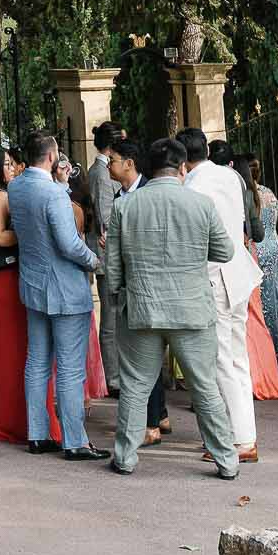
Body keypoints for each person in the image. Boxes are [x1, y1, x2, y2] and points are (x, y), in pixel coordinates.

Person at [106, 135, 241, 479]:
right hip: (192, 309)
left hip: (142, 308)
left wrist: (119, 297)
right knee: (205, 385)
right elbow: (225, 252)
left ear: (149, 167)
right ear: (182, 167)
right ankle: (226, 460)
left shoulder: (125, 206)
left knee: (136, 386)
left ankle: (125, 456)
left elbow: (114, 268)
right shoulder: (201, 204)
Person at [7, 130, 104, 460]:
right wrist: (94, 260)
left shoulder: (16, 186)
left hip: (33, 284)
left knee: (37, 361)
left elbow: (42, 219)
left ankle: (37, 433)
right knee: (70, 368)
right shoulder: (52, 194)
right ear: (51, 157)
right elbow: (68, 243)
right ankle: (75, 440)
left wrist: (61, 185)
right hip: (64, 287)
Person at [183, 126, 262, 464]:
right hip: (238, 272)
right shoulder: (230, 177)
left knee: (221, 361)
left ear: (184, 159)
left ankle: (237, 439)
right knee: (236, 358)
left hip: (215, 276)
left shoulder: (192, 186)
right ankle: (243, 435)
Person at [0, 145, 59, 446]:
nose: (12, 168)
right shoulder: (0, 196)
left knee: (7, 352)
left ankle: (12, 420)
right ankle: (18, 422)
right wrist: (30, 231)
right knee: (17, 352)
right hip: (7, 278)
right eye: (7, 163)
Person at [106, 137, 169, 444]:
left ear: (129, 163)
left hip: (150, 286)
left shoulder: (148, 193)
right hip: (134, 287)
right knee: (147, 356)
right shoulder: (121, 195)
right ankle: (160, 415)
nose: (109, 165)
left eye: (113, 160)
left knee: (145, 358)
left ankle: (152, 424)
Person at [67, 168, 110, 404]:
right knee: (85, 334)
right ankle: (84, 393)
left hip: (73, 272)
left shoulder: (70, 209)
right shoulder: (83, 210)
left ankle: (78, 394)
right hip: (81, 274)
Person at [86, 121, 120, 391]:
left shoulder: (100, 170)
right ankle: (112, 376)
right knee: (110, 317)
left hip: (107, 252)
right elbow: (105, 215)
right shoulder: (101, 173)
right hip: (106, 253)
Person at [248, 155, 278, 359]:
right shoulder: (268, 193)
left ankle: (264, 352)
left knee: (260, 303)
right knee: (275, 298)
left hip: (257, 249)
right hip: (274, 247)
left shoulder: (246, 195)